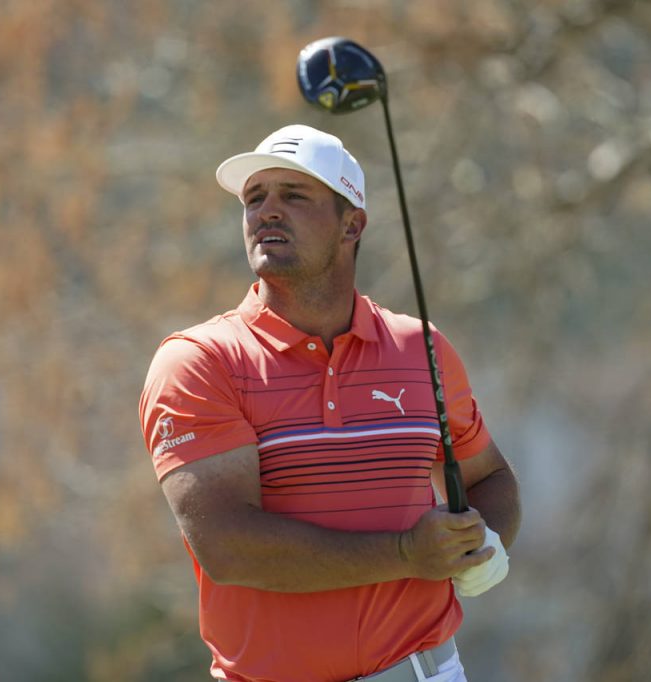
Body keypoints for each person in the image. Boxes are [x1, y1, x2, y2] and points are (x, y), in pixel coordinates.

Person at [139, 124, 521, 682]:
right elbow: (228, 547)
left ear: (352, 224)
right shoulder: (200, 362)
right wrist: (407, 554)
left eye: (294, 195)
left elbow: (490, 476)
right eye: (254, 198)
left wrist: (484, 540)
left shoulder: (422, 348)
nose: (267, 211)